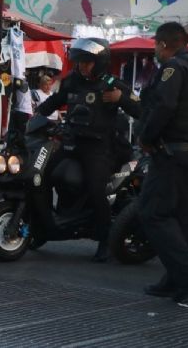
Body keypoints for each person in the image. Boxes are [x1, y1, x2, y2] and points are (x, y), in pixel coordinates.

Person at [35, 38, 140, 262]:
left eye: (87, 62)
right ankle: (43, 224)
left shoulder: (112, 84)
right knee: (40, 175)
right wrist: (33, 116)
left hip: (99, 147)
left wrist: (120, 98)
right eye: (80, 61)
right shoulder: (72, 80)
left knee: (96, 189)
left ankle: (105, 240)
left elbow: (140, 108)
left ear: (99, 62)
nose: (82, 66)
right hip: (71, 143)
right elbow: (54, 101)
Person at [137, 22, 188, 304]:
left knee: (152, 213)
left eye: (156, 45)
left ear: (164, 44)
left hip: (171, 153)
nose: (155, 51)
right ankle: (174, 278)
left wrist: (146, 136)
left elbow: (165, 106)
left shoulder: (174, 68)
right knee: (180, 218)